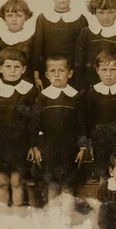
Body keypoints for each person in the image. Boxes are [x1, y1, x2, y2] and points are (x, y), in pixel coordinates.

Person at [0, 48, 38, 208]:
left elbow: (34, 120)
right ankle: (4, 216)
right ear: (0, 69)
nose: (12, 71)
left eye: (17, 67)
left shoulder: (29, 90)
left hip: (20, 144)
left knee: (17, 181)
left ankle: (17, 215)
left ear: (24, 69)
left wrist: (33, 144)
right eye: (8, 66)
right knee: (2, 181)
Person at [29, 54, 87, 205]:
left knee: (68, 185)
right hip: (49, 148)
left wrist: (82, 147)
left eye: (61, 71)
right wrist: (35, 146)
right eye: (52, 71)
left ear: (70, 73)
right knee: (53, 184)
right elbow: (34, 123)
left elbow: (82, 124)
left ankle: (67, 221)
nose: (56, 74)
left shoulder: (76, 96)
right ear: (47, 75)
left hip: (70, 148)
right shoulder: (42, 97)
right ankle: (54, 222)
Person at [33, 0, 88, 90]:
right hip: (49, 74)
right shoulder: (42, 19)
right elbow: (37, 49)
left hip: (72, 74)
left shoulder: (80, 19)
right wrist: (36, 75)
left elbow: (83, 52)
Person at [74, 0, 116, 89]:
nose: (106, 17)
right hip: (90, 86)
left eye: (110, 12)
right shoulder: (86, 33)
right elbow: (79, 63)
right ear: (94, 12)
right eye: (101, 12)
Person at [85, 50, 116, 184]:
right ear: (97, 70)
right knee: (104, 174)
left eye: (113, 69)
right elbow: (89, 118)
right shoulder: (92, 91)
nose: (108, 74)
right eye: (104, 69)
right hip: (101, 140)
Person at [0, 0, 35, 82]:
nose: (14, 19)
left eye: (19, 16)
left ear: (26, 17)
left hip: (26, 81)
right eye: (9, 16)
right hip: (3, 82)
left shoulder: (32, 38)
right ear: (4, 17)